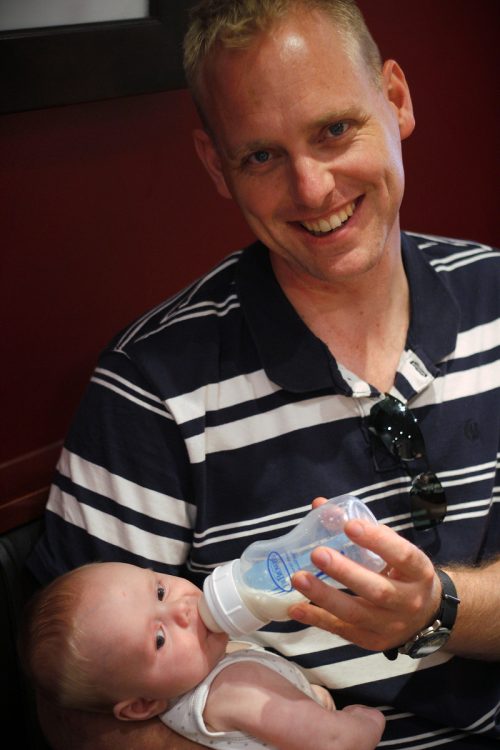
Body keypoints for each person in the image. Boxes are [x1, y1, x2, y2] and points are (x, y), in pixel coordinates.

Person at [28, 1, 500, 749]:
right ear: (216, 166)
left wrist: (437, 607)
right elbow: (74, 712)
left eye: (334, 129)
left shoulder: (493, 294)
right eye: (260, 157)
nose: (312, 190)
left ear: (397, 100)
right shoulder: (149, 386)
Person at [21, 561, 367, 750]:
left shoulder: (187, 695)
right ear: (142, 705)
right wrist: (363, 719)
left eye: (160, 591)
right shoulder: (236, 685)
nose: (181, 610)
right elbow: (337, 742)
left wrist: (310, 698)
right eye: (159, 638)